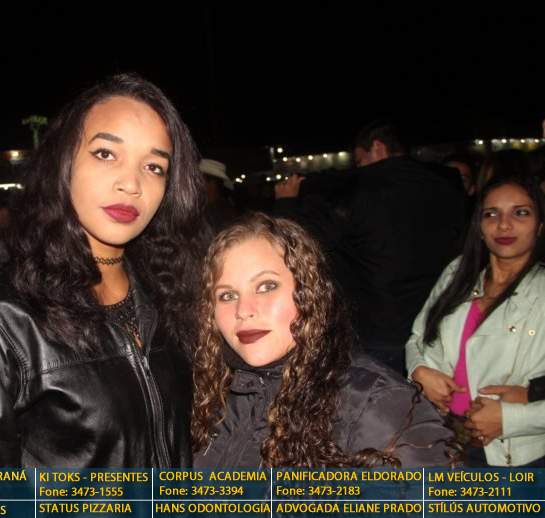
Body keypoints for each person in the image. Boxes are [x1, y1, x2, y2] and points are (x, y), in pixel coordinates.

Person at [0, 73, 207, 467]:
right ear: (62, 162)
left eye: (154, 166)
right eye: (105, 153)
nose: (131, 183)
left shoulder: (171, 295)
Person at [193, 212, 454, 468]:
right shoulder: (214, 394)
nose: (243, 310)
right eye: (227, 295)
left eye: (266, 286)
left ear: (309, 293)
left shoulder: (378, 405)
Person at [274, 120, 465, 375]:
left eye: (359, 159)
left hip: (379, 333)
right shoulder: (446, 184)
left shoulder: (358, 189)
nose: (358, 167)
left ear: (377, 148)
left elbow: (302, 249)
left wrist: (286, 204)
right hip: (436, 325)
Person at [407, 174, 545, 467]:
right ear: (479, 228)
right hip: (442, 437)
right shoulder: (459, 272)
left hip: (511, 452)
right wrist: (419, 370)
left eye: (520, 213)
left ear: (540, 225)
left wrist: (511, 419)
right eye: (491, 214)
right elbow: (418, 336)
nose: (504, 225)